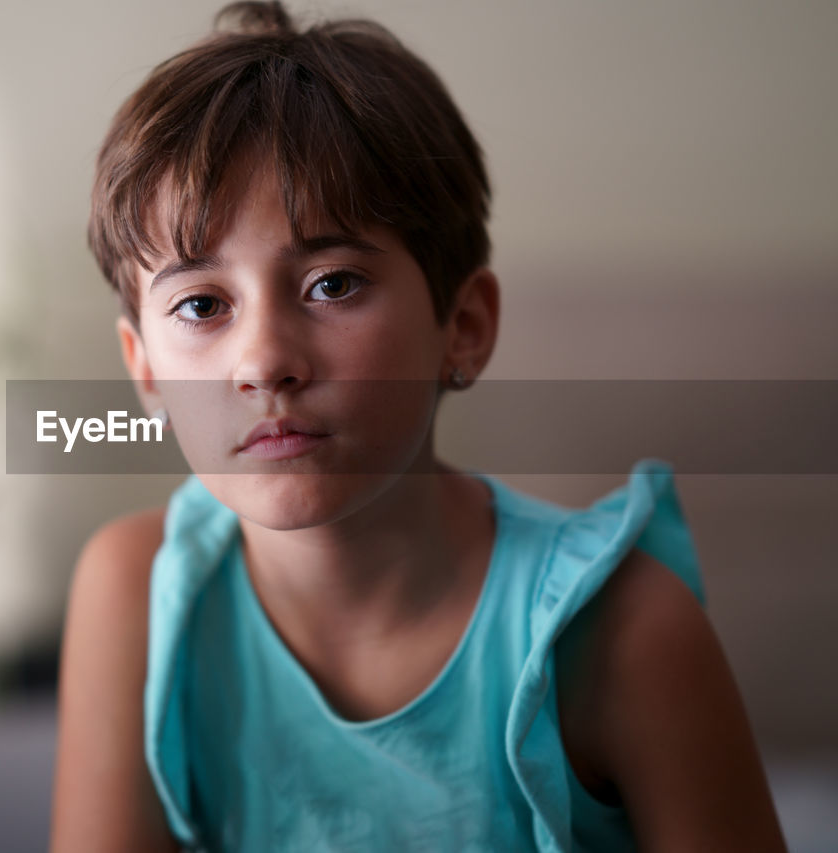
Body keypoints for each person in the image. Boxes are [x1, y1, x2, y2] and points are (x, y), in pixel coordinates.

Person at [51, 2, 786, 850]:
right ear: (145, 371)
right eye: (202, 304)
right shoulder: (135, 593)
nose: (263, 360)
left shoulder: (622, 636)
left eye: (332, 284)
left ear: (463, 326)